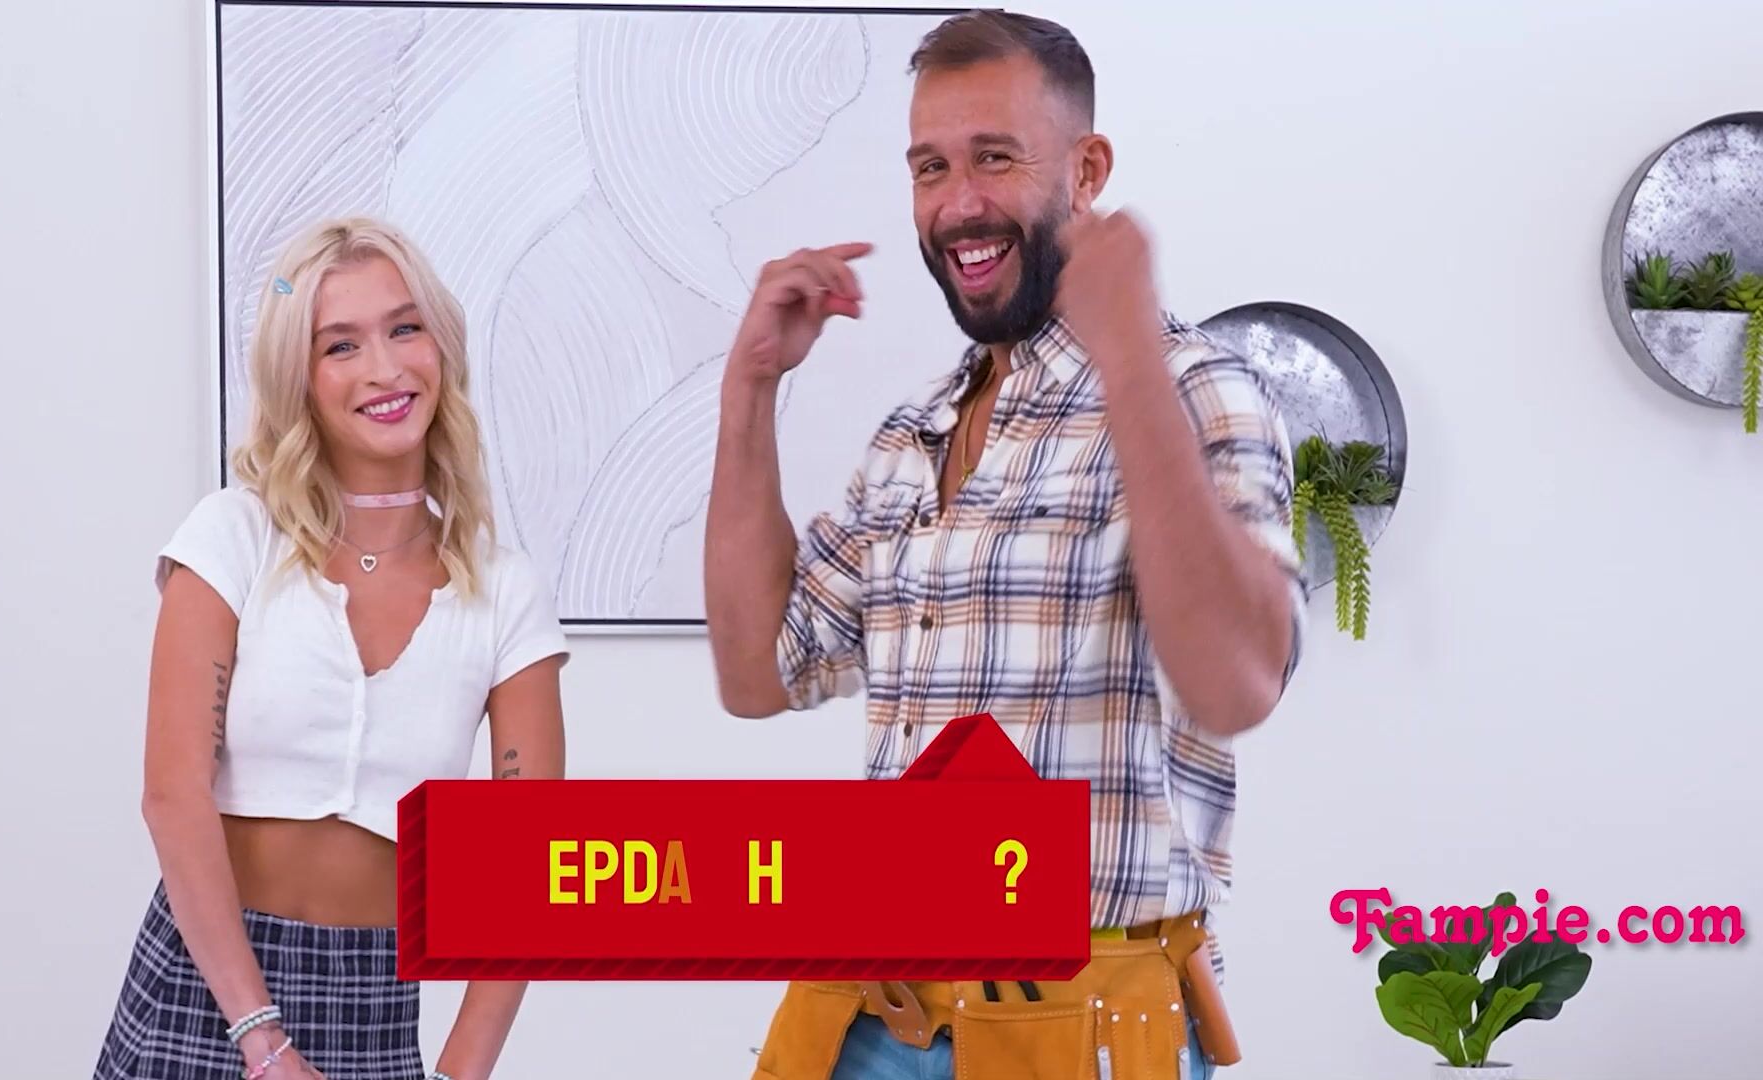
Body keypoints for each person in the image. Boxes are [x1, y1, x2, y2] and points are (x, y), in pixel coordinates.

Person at [702, 10, 1309, 1080]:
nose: (958, 204)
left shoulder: (1196, 388)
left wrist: (1126, 352)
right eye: (930, 167)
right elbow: (758, 674)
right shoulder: (913, 437)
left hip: (1080, 1024)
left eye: (995, 157)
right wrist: (750, 388)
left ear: (1087, 171)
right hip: (866, 1014)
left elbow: (1240, 685)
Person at [94, 218, 568, 1080]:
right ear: (301, 378)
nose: (384, 369)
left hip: (372, 1010)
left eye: (404, 328)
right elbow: (172, 795)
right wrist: (262, 1040)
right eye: (340, 345)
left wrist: (459, 1073)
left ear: (439, 345)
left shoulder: (506, 592)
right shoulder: (232, 538)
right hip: (206, 991)